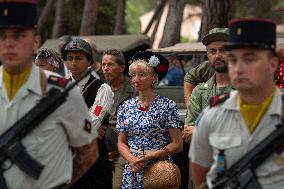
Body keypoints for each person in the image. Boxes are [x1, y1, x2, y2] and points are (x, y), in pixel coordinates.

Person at [0, 1, 99, 188]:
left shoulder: (63, 92)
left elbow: (89, 153)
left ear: (35, 41)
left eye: (19, 35)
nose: (8, 43)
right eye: (2, 35)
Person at [190, 18, 282, 189]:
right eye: (233, 60)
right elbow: (200, 179)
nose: (238, 69)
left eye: (249, 59)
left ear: (273, 64)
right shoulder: (212, 115)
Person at [117, 51, 183, 188]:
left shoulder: (168, 106)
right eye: (133, 75)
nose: (136, 79)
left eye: (142, 74)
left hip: (160, 170)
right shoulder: (125, 106)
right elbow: (121, 142)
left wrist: (151, 156)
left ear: (154, 77)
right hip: (133, 170)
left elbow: (177, 143)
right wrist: (133, 160)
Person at [63, 38, 114, 189]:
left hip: (94, 158)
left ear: (89, 61)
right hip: (65, 156)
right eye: (70, 58)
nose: (73, 62)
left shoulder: (102, 88)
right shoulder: (58, 86)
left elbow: (94, 120)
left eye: (78, 58)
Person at [183, 28, 232, 143]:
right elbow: (188, 135)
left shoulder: (246, 89)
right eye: (212, 51)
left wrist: (199, 131)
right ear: (207, 55)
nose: (217, 56)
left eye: (223, 50)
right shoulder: (199, 92)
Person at [101, 49, 137, 189]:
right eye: (103, 64)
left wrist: (116, 149)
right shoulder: (101, 90)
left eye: (110, 64)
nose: (106, 68)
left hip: (126, 148)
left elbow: (136, 123)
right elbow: (96, 114)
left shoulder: (134, 89)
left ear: (122, 68)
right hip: (103, 146)